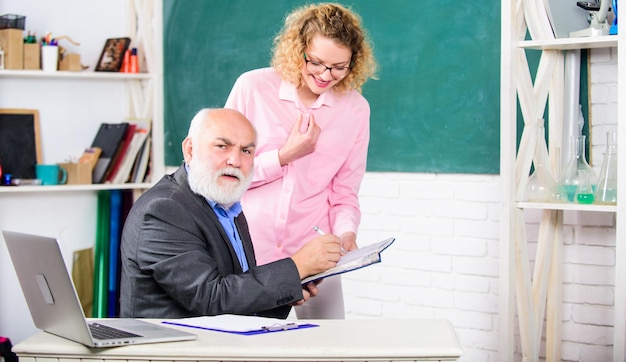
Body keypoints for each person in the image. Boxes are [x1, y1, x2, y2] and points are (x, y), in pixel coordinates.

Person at [224, 3, 377, 319]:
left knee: (330, 346)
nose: (325, 75)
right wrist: (284, 156)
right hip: (251, 250)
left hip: (317, 250)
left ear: (354, 63)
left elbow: (345, 192)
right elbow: (225, 172)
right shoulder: (252, 88)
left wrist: (347, 232)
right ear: (299, 50)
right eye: (316, 62)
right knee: (251, 346)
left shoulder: (355, 110)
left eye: (339, 67)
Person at [119, 108, 342, 319]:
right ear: (190, 150)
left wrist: (291, 285)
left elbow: (234, 290)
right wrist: (297, 266)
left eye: (246, 151)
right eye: (222, 147)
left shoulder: (227, 205)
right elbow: (209, 298)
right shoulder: (164, 210)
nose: (235, 161)